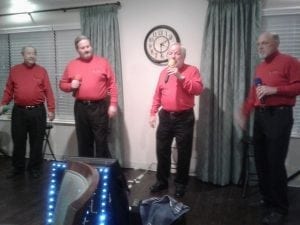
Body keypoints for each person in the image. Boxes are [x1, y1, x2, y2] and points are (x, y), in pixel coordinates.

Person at [237, 32, 300, 225]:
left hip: (279, 116)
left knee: (274, 163)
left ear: (276, 43)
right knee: (262, 161)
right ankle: (267, 199)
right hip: (261, 117)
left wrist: (276, 90)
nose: (260, 47)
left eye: (265, 43)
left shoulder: (289, 61)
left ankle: (280, 208)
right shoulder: (260, 67)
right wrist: (244, 113)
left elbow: (298, 86)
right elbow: (253, 95)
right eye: (258, 44)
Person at [149, 43, 204, 198]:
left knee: (184, 152)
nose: (173, 56)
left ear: (183, 56)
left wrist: (180, 77)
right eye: (170, 53)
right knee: (162, 150)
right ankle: (162, 181)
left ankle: (181, 184)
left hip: (184, 118)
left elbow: (198, 90)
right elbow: (157, 94)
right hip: (165, 116)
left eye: (177, 53)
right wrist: (152, 112)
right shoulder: (163, 72)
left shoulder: (192, 70)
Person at [0, 46, 55, 179]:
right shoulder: (15, 70)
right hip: (19, 112)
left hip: (38, 111)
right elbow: (8, 90)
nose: (32, 56)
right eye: (29, 53)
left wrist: (51, 109)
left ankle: (34, 168)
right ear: (22, 55)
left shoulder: (42, 71)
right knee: (18, 140)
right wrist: (3, 104)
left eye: (34, 53)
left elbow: (48, 91)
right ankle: (18, 168)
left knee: (36, 142)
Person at [59, 35, 118, 158]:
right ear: (77, 49)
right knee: (84, 143)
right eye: (83, 48)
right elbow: (62, 85)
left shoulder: (103, 62)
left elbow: (112, 84)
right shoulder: (72, 65)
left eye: (88, 46)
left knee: (101, 142)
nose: (86, 49)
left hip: (99, 107)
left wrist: (113, 104)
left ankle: (102, 174)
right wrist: (71, 85)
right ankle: (87, 174)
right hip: (81, 108)